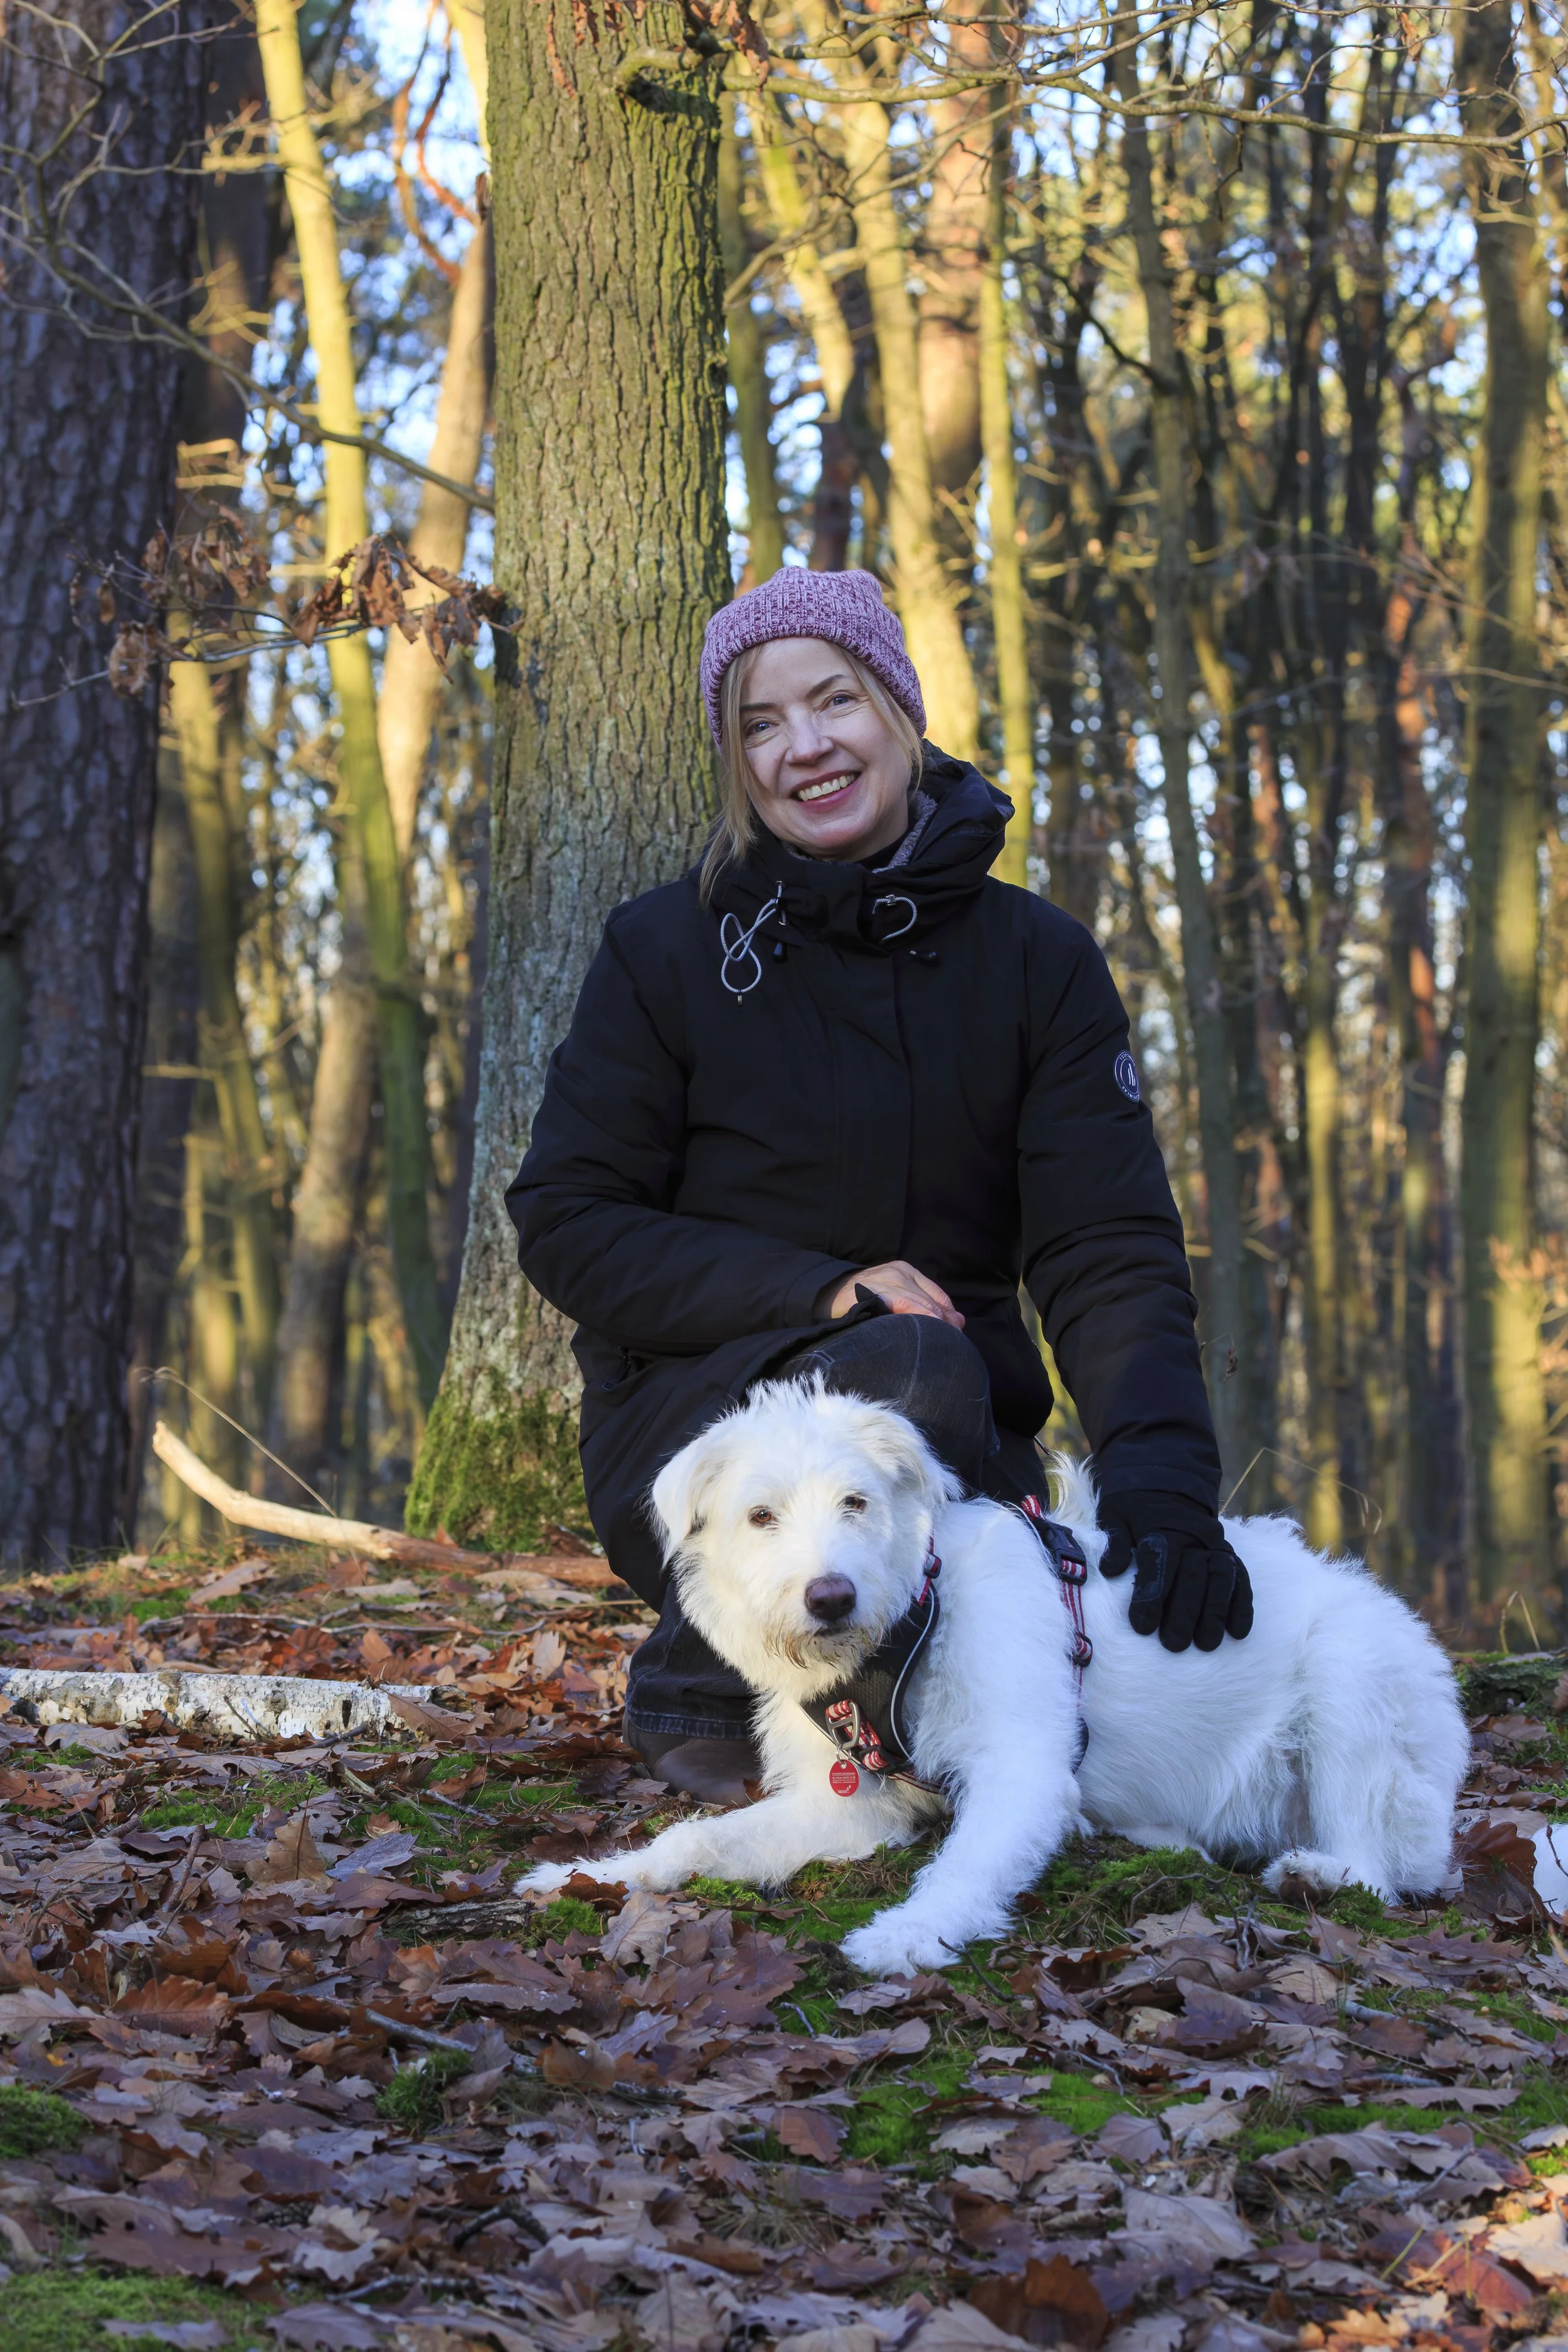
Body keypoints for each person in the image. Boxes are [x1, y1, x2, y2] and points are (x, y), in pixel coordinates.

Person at [507, 568, 1251, 1805]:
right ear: (736, 761)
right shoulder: (665, 950)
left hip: (952, 1451)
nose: (802, 746)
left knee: (947, 1419)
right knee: (906, 1362)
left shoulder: (1039, 961)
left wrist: (1165, 1494)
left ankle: (882, 1698)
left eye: (834, 700)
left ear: (900, 711)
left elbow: (1107, 1250)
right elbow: (568, 1222)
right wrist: (822, 1291)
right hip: (696, 1426)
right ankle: (700, 1682)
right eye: (759, 723)